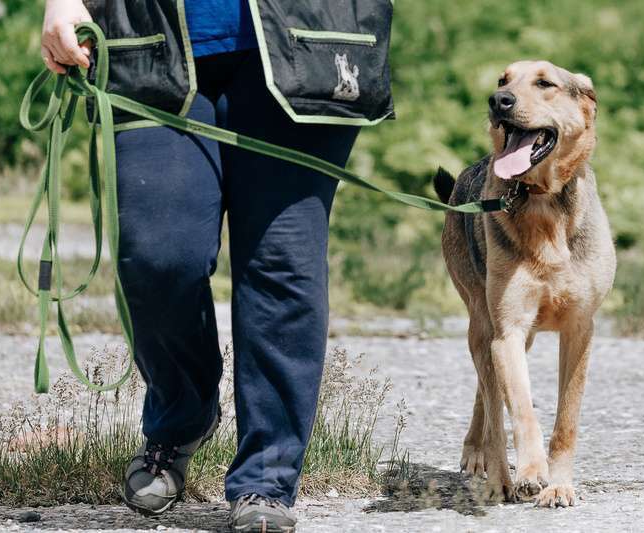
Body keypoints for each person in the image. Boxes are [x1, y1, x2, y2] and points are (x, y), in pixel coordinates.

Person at [40, 0, 394, 531]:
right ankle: (182, 417)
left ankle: (266, 479)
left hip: (311, 38)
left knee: (282, 267)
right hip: (149, 40)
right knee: (158, 258)